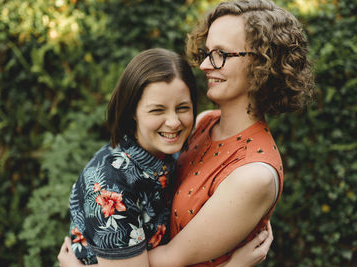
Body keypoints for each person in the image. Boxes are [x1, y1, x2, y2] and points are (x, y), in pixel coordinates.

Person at [58, 47, 273, 267]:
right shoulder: (109, 187)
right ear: (132, 110)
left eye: (182, 108)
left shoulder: (173, 152)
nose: (173, 122)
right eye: (157, 110)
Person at [145, 0, 314, 266]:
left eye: (221, 54)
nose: (204, 65)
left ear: (262, 63)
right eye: (207, 52)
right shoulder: (203, 123)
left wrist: (87, 261)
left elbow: (170, 258)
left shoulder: (253, 175)